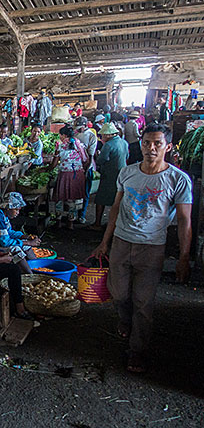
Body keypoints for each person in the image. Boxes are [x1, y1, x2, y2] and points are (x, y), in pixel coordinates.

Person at [93, 123, 192, 373]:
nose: (151, 148)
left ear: (167, 147)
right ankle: (125, 321)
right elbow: (115, 209)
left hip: (152, 247)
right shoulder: (127, 173)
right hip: (122, 242)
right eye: (147, 142)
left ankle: (137, 351)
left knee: (143, 302)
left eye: (157, 143)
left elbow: (184, 221)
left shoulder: (178, 180)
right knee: (119, 294)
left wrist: (183, 257)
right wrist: (105, 241)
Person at [0, 192, 41, 274]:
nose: (17, 213)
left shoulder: (3, 216)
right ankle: (31, 275)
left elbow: (9, 232)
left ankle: (38, 268)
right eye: (16, 210)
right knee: (16, 250)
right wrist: (29, 242)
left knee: (26, 247)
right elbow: (5, 242)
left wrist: (25, 236)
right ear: (9, 208)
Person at [88, 123, 128, 230]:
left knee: (101, 199)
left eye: (103, 135)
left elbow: (101, 160)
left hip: (109, 174)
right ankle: (115, 224)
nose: (102, 137)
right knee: (118, 199)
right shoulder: (124, 142)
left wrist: (97, 155)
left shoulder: (108, 145)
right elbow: (127, 156)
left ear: (108, 135)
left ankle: (97, 223)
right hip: (122, 174)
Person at [50, 125, 88, 230]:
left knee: (60, 198)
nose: (60, 137)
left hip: (65, 174)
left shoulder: (60, 145)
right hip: (77, 174)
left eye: (60, 135)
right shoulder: (79, 144)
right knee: (72, 199)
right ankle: (70, 223)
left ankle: (58, 222)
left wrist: (47, 169)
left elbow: (53, 164)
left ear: (65, 135)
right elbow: (86, 160)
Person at [74, 116, 98, 223]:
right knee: (75, 192)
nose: (79, 129)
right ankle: (73, 213)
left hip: (87, 168)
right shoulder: (75, 134)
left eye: (81, 127)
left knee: (85, 193)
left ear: (85, 126)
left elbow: (91, 155)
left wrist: (86, 169)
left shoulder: (92, 136)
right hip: (75, 166)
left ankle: (82, 215)